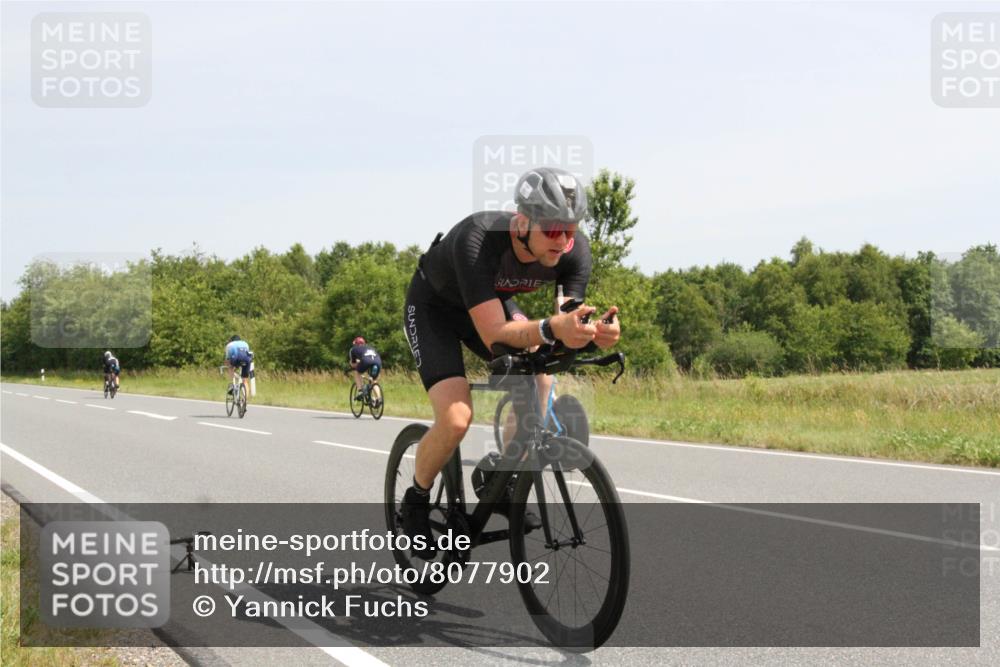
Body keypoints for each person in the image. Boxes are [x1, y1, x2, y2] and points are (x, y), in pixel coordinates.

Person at [401, 166, 621, 556]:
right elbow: (495, 334)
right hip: (435, 309)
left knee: (539, 372)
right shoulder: (478, 238)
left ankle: (502, 474)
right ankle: (415, 501)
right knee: (456, 418)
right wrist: (554, 329)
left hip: (488, 305)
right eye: (553, 230)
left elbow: (564, 324)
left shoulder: (573, 250)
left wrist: (591, 334)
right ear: (522, 222)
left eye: (570, 232)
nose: (563, 241)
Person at [349, 336, 382, 401]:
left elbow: (353, 364)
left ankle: (360, 391)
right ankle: (379, 399)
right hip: (378, 361)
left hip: (366, 361)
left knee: (357, 372)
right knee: (374, 380)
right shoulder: (371, 348)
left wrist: (353, 364)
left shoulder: (353, 349)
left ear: (355, 344)